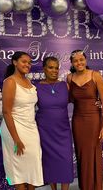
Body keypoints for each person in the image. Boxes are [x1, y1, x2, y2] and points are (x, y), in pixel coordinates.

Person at [0, 51, 43, 190]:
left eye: (30, 63)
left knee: (33, 165)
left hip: (31, 128)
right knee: (17, 168)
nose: (27, 65)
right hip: (14, 129)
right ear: (14, 62)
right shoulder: (10, 82)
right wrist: (16, 139)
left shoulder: (28, 81)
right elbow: (6, 112)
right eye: (24, 61)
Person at [67, 50, 103, 190]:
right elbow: (68, 99)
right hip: (78, 120)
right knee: (81, 154)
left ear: (85, 60)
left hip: (94, 120)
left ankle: (95, 186)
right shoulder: (69, 78)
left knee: (93, 153)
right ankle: (84, 187)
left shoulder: (95, 75)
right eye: (76, 61)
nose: (79, 63)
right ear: (72, 63)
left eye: (81, 59)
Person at [35, 56, 74, 190]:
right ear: (44, 69)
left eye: (56, 68)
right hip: (45, 131)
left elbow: (80, 98)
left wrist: (96, 101)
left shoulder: (65, 85)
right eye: (51, 67)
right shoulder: (36, 87)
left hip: (63, 130)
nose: (54, 71)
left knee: (66, 161)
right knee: (49, 162)